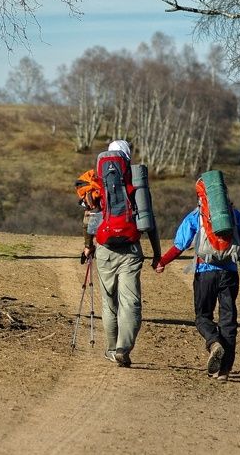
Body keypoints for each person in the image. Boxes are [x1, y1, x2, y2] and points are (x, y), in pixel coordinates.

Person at [155, 179, 240, 381]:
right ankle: (224, 371)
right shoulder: (233, 216)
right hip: (229, 272)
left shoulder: (195, 217)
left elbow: (179, 245)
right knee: (228, 319)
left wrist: (162, 261)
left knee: (202, 317)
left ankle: (213, 341)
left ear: (201, 196)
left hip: (205, 271)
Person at [79, 139, 161, 368]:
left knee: (109, 302)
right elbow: (149, 221)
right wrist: (156, 253)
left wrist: (88, 245)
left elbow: (89, 218)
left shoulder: (97, 180)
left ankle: (112, 349)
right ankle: (124, 348)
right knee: (131, 302)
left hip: (105, 249)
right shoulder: (135, 180)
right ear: (127, 156)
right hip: (131, 249)